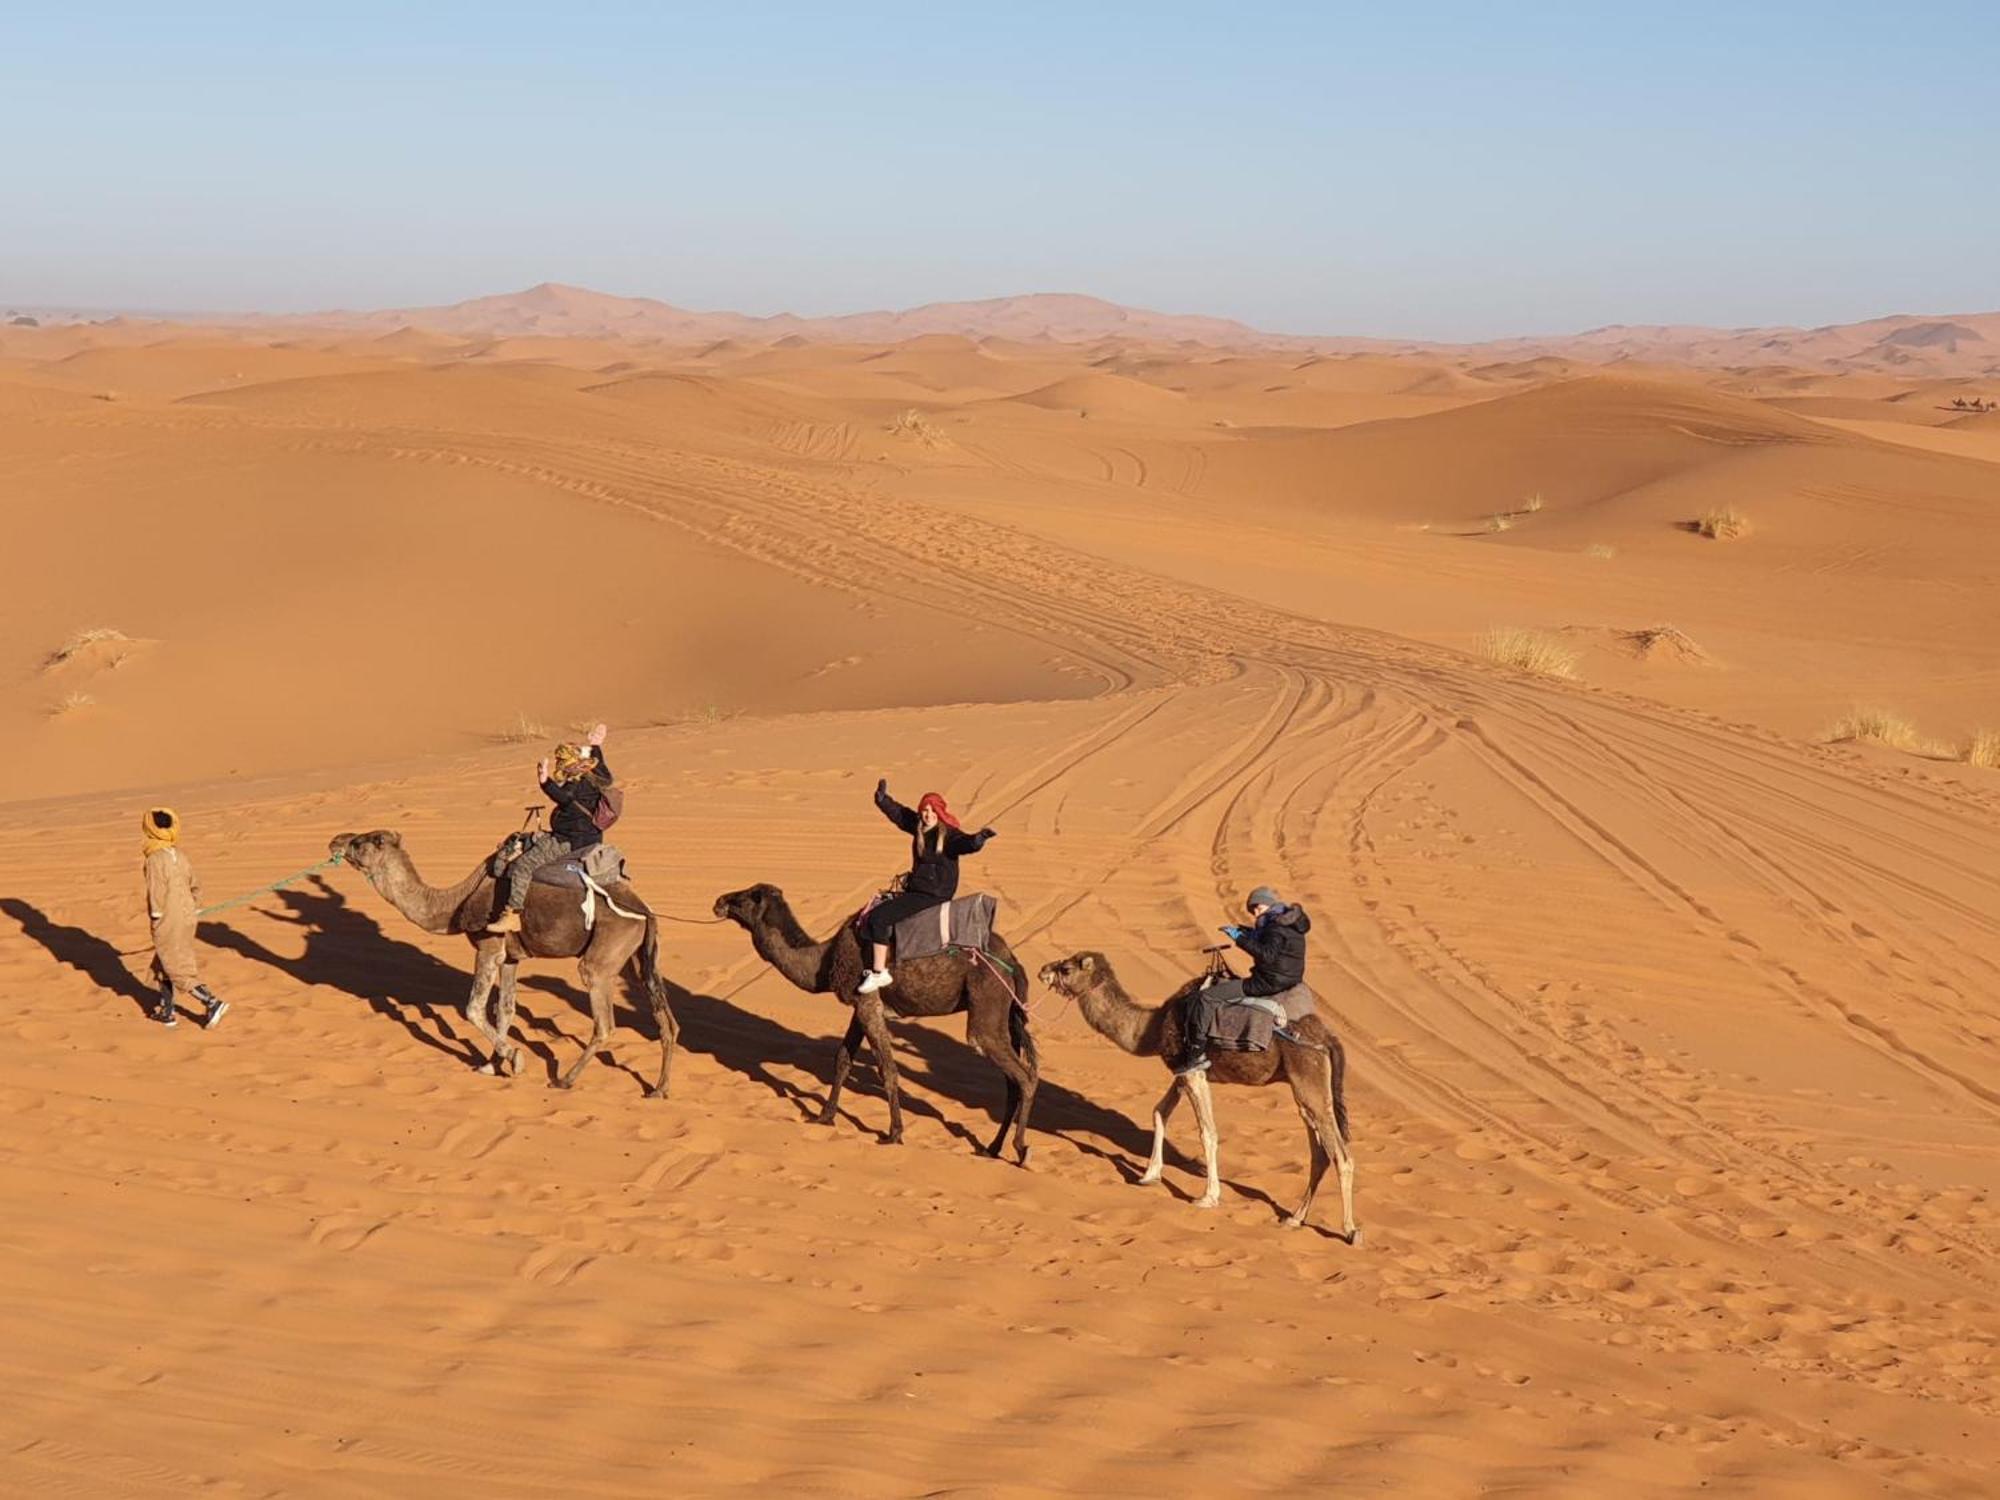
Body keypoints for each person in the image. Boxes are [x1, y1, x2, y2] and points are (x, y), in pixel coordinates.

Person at [857, 779, 995, 995]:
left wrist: (978, 840)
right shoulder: (919, 827)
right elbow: (900, 814)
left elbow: (964, 844)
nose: (927, 814)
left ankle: (879, 972)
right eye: (924, 810)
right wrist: (883, 800)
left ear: (940, 813)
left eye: (932, 811)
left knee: (878, 918)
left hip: (932, 894)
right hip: (918, 890)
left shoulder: (949, 835)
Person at [485, 723, 612, 935]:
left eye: (562, 761)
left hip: (571, 840)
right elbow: (605, 774)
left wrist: (545, 782)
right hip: (590, 837)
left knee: (523, 864)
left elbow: (566, 798)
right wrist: (596, 746)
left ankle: (512, 914)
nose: (559, 765)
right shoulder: (594, 778)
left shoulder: (577, 783)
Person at [1174, 884, 1310, 1074]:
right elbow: (1272, 943)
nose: (1255, 913)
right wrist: (1246, 932)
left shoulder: (1274, 928)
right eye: (1253, 909)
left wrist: (1239, 939)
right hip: (1290, 979)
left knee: (1206, 998)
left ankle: (1195, 1056)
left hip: (1268, 982)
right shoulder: (1290, 923)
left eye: (1258, 907)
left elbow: (1267, 954)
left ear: (1269, 905)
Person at [141, 807, 227, 1030]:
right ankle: (166, 1011)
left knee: (177, 967)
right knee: (165, 962)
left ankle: (211, 1002)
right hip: (187, 916)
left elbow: (155, 891)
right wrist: (194, 907)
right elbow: (195, 884)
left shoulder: (155, 859)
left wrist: (156, 916)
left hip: (168, 918)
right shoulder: (180, 855)